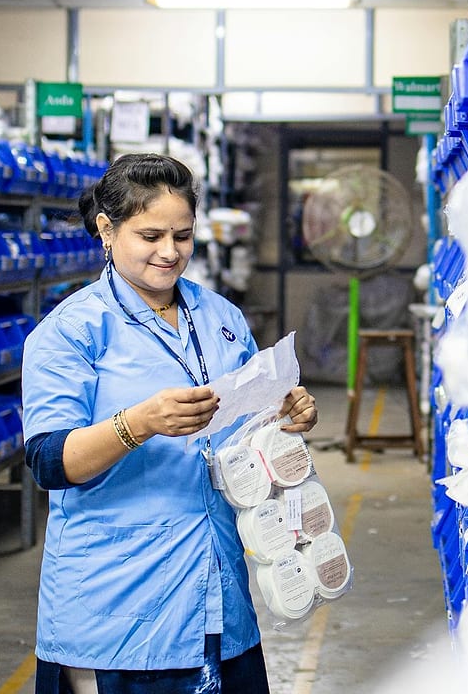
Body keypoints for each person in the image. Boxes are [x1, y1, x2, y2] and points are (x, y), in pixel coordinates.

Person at [21, 153, 318, 694]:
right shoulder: (71, 331)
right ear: (106, 230)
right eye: (150, 236)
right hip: (119, 606)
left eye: (183, 236)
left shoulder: (221, 318)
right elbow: (49, 461)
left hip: (218, 592)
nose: (169, 252)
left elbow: (247, 431)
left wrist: (284, 416)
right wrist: (139, 422)